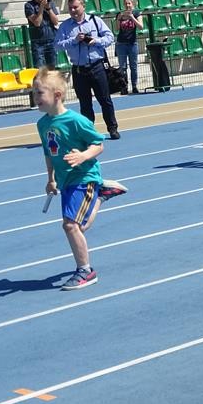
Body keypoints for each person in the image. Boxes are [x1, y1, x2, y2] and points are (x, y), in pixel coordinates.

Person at [34, 68, 128, 290]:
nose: (35, 97)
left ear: (57, 95)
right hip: (66, 180)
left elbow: (99, 144)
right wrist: (51, 179)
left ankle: (86, 271)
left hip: (84, 177)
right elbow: (48, 153)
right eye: (34, 92)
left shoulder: (76, 121)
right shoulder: (42, 124)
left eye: (39, 93)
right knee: (79, 227)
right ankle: (102, 196)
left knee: (70, 226)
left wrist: (83, 156)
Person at [55, 0, 120, 140]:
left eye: (75, 7)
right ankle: (89, 131)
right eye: (70, 8)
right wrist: (74, 40)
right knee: (85, 104)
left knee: (105, 100)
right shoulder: (65, 26)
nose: (73, 10)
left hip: (97, 66)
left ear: (83, 6)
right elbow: (57, 45)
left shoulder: (95, 21)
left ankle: (112, 128)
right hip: (79, 69)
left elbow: (110, 37)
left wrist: (95, 41)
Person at [24, 0, 59, 68]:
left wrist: (48, 8)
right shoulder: (28, 5)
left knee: (52, 69)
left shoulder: (50, 2)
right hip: (37, 43)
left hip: (51, 40)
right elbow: (37, 23)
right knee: (39, 69)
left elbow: (55, 22)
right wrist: (41, 7)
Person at [114, 0, 143, 94]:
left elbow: (141, 27)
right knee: (122, 67)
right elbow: (117, 29)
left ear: (132, 4)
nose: (127, 5)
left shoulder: (136, 13)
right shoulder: (120, 14)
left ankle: (134, 86)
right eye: (126, 4)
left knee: (133, 66)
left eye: (129, 3)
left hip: (132, 43)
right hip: (121, 43)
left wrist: (132, 17)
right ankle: (124, 87)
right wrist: (118, 19)